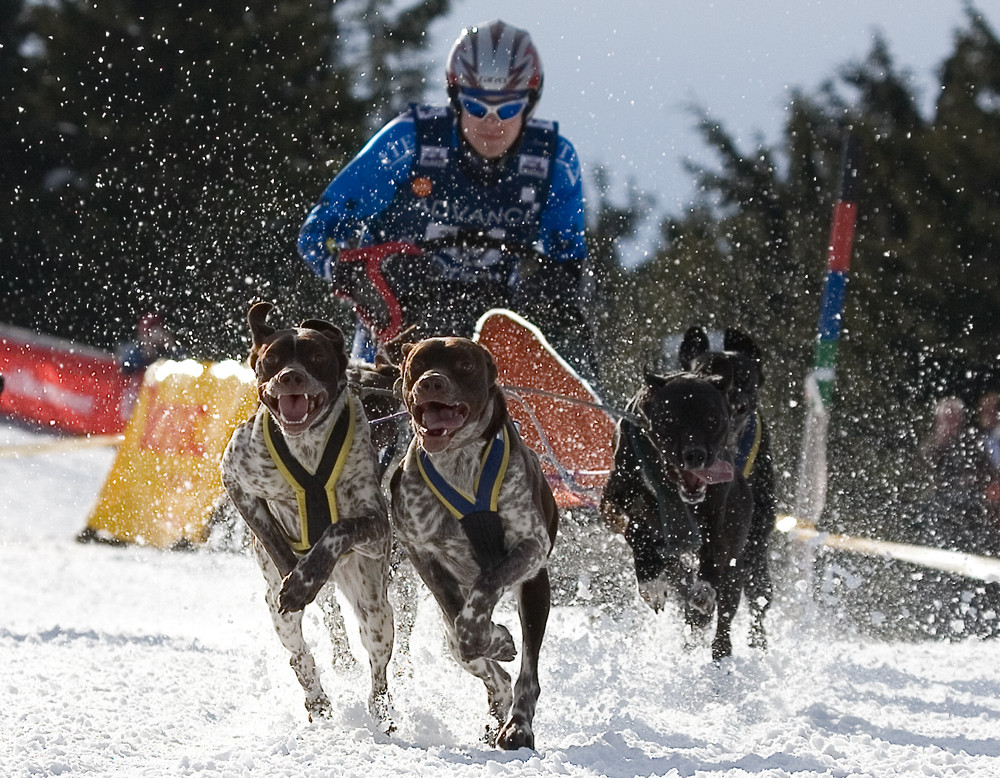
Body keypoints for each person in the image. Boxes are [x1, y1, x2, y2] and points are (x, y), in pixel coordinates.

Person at [298, 19, 594, 379]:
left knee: (568, 330)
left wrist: (546, 291)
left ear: (529, 105)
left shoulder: (554, 162)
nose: (491, 122)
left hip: (496, 326)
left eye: (508, 109)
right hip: (400, 325)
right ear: (456, 98)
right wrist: (354, 275)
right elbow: (318, 232)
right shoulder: (407, 143)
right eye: (476, 106)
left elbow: (569, 261)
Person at [915, 396, 996, 554]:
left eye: (955, 419)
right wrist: (941, 443)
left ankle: (979, 551)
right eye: (948, 419)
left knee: (978, 512)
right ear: (939, 420)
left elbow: (986, 469)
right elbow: (927, 468)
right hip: (940, 496)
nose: (952, 423)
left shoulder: (971, 442)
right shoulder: (932, 444)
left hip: (970, 496)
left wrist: (973, 478)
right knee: (930, 508)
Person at [116, 313, 187, 375]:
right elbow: (125, 367)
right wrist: (146, 352)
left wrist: (171, 346)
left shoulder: (164, 348)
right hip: (139, 388)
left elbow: (184, 361)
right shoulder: (134, 350)